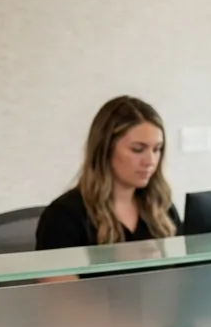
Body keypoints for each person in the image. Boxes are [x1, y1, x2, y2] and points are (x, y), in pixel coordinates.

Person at [35, 95, 181, 251]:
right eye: (137, 149)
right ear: (105, 150)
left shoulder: (161, 207)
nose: (150, 161)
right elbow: (59, 276)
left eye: (157, 149)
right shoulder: (64, 216)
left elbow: (187, 272)